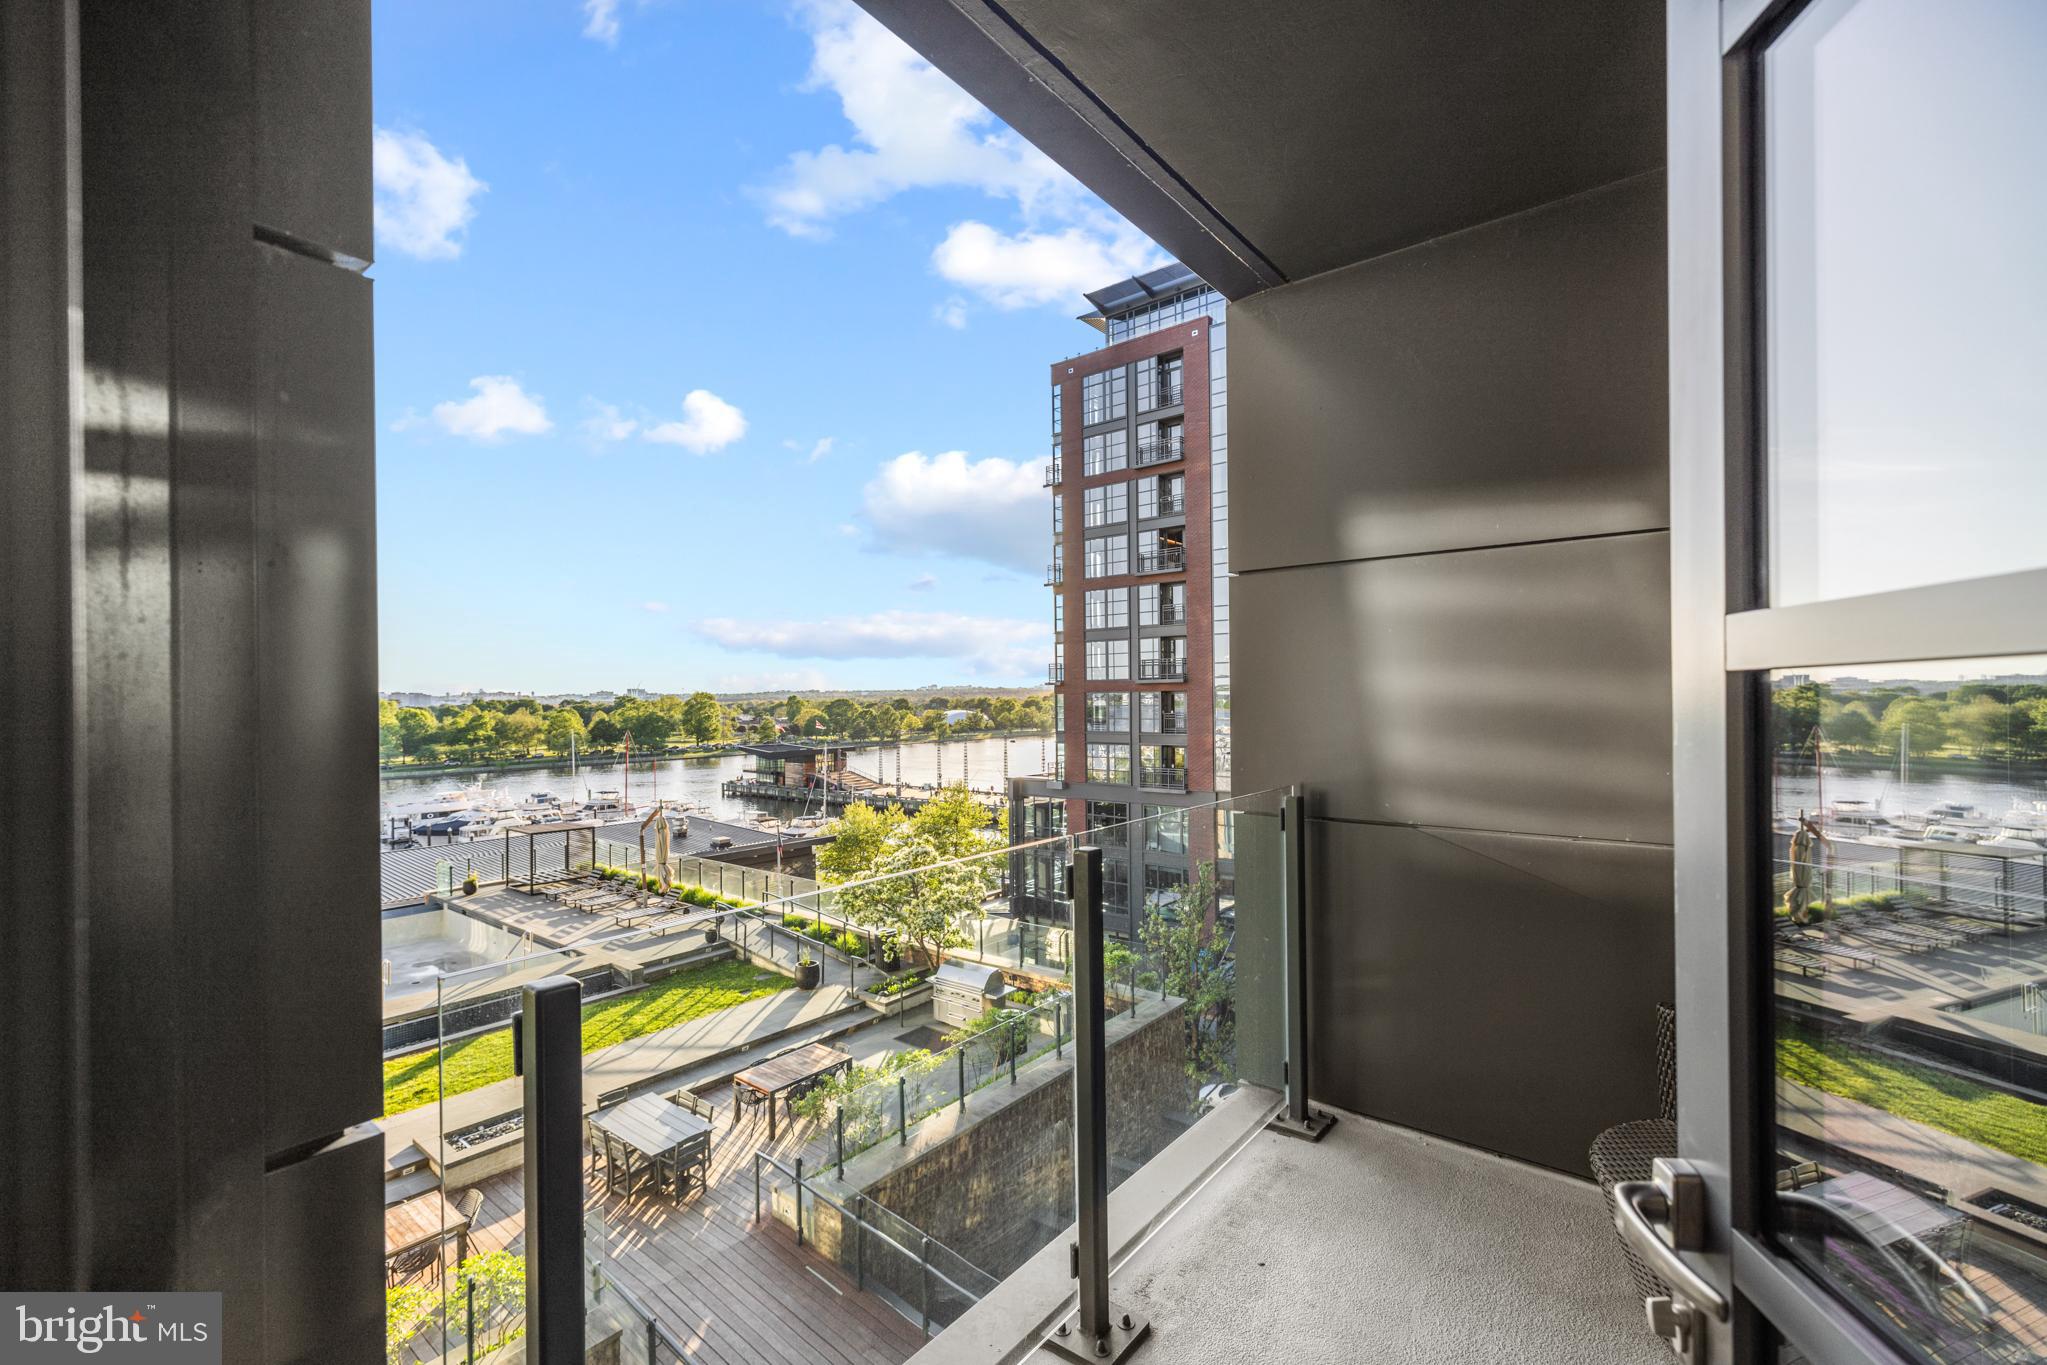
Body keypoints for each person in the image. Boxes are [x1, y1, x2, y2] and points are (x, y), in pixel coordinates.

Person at [1784, 812, 1832, 925]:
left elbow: (1823, 839)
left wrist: (1807, 825)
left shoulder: (1800, 849)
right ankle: (1803, 917)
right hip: (1816, 876)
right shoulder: (1803, 849)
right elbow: (1825, 841)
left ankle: (1802, 917)